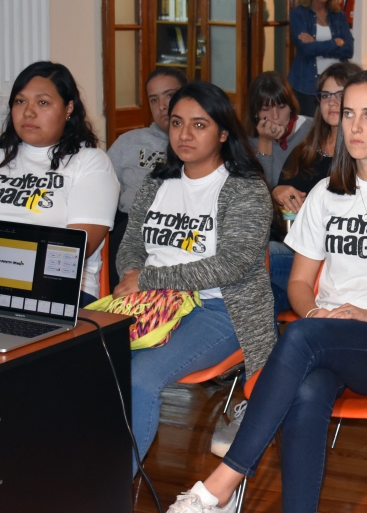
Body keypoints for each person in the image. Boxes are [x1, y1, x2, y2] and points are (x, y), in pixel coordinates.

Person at [165, 71, 367, 513]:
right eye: (348, 114)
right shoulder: (327, 193)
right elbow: (298, 283)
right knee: (308, 389)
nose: (355, 126)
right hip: (323, 336)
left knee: (299, 337)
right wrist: (313, 314)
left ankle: (222, 482)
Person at [118, 80, 277, 475]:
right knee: (82, 362)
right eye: (176, 123)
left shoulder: (245, 189)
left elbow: (233, 265)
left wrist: (149, 278)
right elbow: (130, 246)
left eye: (199, 124)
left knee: (139, 379)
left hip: (219, 309)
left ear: (223, 133)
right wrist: (134, 274)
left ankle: (111, 489)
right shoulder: (158, 182)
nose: (184, 134)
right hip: (151, 304)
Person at [0, 61, 119, 299]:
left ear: (68, 108)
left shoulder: (90, 162)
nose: (28, 112)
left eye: (42, 103)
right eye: (20, 101)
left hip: (59, 291)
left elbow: (75, 250)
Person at [269, 62, 363, 315]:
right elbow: (278, 195)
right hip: (290, 245)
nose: (332, 102)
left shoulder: (362, 153)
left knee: (258, 256)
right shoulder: (306, 150)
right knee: (258, 298)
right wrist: (276, 193)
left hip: (327, 260)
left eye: (340, 94)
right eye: (325, 95)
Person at [106, 66, 187, 286]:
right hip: (129, 225)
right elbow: (102, 192)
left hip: (178, 227)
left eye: (170, 95)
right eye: (154, 99)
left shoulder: (197, 142)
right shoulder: (128, 142)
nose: (162, 106)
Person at [288, 0, 355, 116]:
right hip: (307, 83)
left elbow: (349, 50)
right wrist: (335, 43)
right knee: (309, 125)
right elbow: (306, 50)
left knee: (336, 123)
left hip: (337, 82)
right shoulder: (298, 14)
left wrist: (316, 43)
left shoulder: (338, 16)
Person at [245, 72, 312, 187]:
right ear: (256, 112)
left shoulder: (311, 129)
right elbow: (260, 189)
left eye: (281, 107)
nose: (275, 116)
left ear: (291, 107)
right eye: (266, 108)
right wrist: (265, 141)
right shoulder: (247, 141)